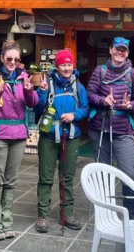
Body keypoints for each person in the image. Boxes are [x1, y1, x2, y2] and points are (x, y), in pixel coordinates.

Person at [0, 40, 38, 241]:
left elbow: (33, 104)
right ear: (2, 59)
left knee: (11, 182)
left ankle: (6, 222)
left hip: (19, 135)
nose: (13, 62)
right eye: (9, 58)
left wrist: (29, 90)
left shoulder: (25, 77)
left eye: (16, 59)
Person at [87, 36, 134, 219]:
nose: (120, 52)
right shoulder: (99, 71)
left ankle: (131, 217)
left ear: (127, 53)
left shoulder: (133, 73)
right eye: (117, 49)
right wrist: (103, 101)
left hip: (124, 130)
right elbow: (90, 94)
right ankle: (105, 214)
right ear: (111, 50)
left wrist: (130, 106)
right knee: (103, 175)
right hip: (101, 128)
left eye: (124, 50)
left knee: (129, 175)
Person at [35, 49, 89, 233]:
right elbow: (38, 107)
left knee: (67, 177)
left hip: (71, 135)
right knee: (45, 177)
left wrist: (74, 115)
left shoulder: (78, 87)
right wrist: (42, 93)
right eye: (63, 65)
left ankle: (67, 214)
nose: (66, 68)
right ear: (56, 66)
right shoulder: (47, 84)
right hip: (49, 136)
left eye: (69, 64)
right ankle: (43, 216)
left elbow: (85, 108)